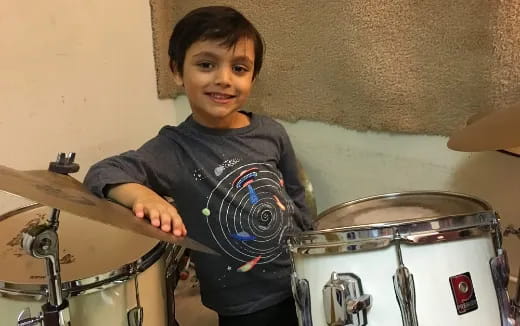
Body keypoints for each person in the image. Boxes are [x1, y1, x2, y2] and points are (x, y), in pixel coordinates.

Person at [84, 6, 312, 326]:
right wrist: (141, 195)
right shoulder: (172, 149)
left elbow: (297, 195)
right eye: (206, 65)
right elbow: (101, 173)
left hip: (300, 279)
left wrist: (313, 252)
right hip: (242, 304)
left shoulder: (271, 132)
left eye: (239, 68)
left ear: (253, 77)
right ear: (177, 71)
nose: (223, 79)